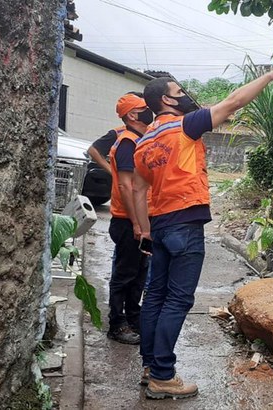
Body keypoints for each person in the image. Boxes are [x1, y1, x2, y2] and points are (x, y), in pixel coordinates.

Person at [132, 62, 273, 399]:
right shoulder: (185, 125)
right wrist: (269, 75)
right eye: (179, 91)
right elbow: (233, 102)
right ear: (166, 100)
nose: (185, 95)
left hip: (160, 224)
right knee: (177, 300)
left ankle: (150, 367)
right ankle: (163, 376)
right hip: (185, 223)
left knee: (155, 298)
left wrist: (144, 229)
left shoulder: (144, 141)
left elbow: (137, 189)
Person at [103, 92, 154, 344]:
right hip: (127, 221)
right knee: (124, 274)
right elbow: (125, 186)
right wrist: (136, 223)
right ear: (133, 115)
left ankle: (134, 318)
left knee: (139, 273)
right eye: (144, 108)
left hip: (141, 220)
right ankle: (117, 324)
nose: (149, 111)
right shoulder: (127, 143)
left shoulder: (138, 140)